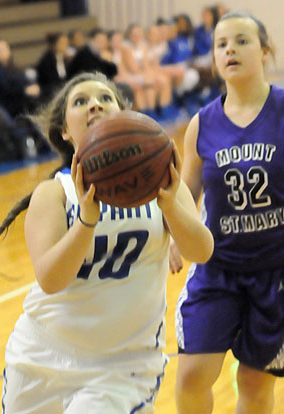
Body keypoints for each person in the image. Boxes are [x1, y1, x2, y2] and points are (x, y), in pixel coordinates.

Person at [0, 71, 214, 413]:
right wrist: (85, 221)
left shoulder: (161, 184)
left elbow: (202, 250)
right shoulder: (54, 194)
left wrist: (170, 206)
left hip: (121, 365)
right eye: (80, 101)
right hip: (42, 357)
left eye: (105, 98)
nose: (94, 104)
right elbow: (51, 279)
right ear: (65, 130)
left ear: (124, 115)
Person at [174, 11, 284, 414]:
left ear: (265, 52)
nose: (230, 50)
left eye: (241, 40)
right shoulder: (202, 125)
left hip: (276, 271)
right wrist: (173, 233)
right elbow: (187, 191)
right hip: (216, 267)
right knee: (191, 375)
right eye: (221, 44)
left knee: (254, 384)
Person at [0, 39, 41, 118]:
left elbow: (24, 79)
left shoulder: (12, 67)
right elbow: (6, 89)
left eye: (6, 48)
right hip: (16, 104)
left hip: (25, 99)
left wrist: (32, 86)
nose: (4, 51)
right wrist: (25, 91)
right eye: (1, 50)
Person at [36, 32, 71, 102]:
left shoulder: (64, 58)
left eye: (66, 43)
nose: (66, 46)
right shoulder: (47, 60)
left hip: (62, 88)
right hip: (50, 91)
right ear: (55, 45)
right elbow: (50, 81)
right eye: (62, 43)